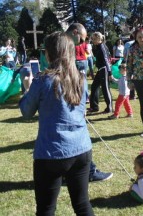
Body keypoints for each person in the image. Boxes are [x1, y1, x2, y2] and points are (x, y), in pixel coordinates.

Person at [19, 32, 94, 215]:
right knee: (82, 204)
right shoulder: (81, 79)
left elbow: (26, 112)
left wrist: (27, 87)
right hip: (81, 149)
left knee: (46, 209)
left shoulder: (42, 80)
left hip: (51, 153)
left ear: (50, 53)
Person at [65, 23, 113, 183]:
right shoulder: (65, 45)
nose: (84, 42)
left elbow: (102, 60)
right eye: (84, 39)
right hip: (68, 98)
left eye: (90, 38)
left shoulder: (100, 47)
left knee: (102, 90)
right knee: (79, 138)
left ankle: (108, 107)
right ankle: (89, 171)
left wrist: (108, 71)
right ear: (75, 32)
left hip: (99, 73)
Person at [88, 32, 113, 114]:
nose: (93, 40)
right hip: (100, 69)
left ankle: (109, 108)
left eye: (94, 39)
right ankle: (94, 107)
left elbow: (106, 59)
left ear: (100, 39)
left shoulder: (102, 47)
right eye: (92, 39)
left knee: (105, 88)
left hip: (104, 69)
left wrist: (109, 72)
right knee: (94, 86)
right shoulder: (98, 47)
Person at [123, 34, 136, 100]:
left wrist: (124, 62)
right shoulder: (137, 43)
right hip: (136, 62)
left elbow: (124, 54)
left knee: (130, 78)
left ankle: (132, 95)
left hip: (129, 62)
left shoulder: (127, 43)